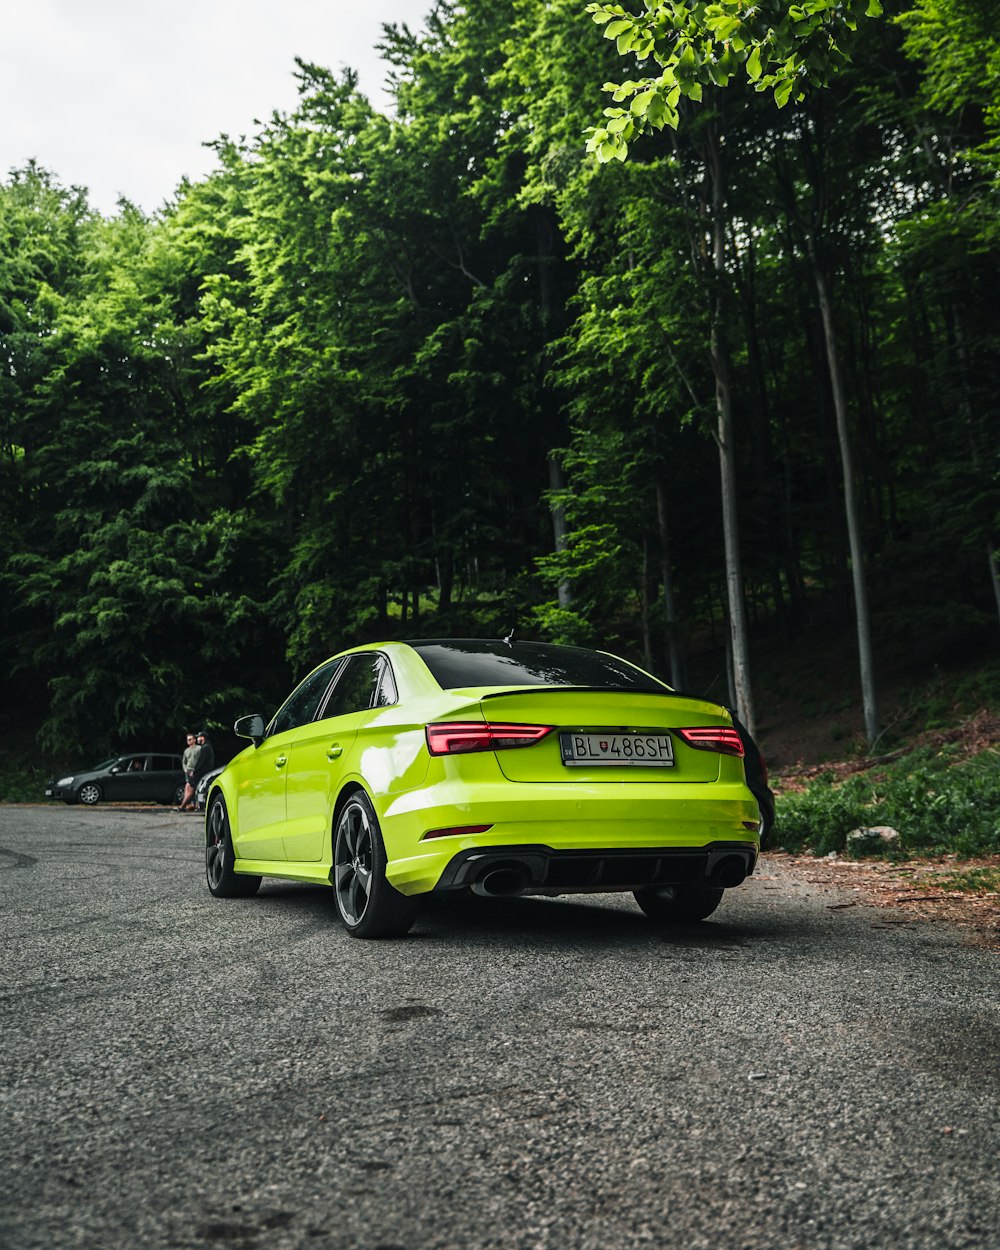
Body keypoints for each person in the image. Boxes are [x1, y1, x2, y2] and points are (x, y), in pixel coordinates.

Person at [177, 732, 200, 810]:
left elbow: (201, 760)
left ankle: (183, 805)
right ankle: (187, 805)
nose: (188, 741)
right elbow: (184, 761)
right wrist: (185, 769)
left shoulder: (199, 749)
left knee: (190, 788)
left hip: (195, 770)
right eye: (187, 740)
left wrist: (196, 769)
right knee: (187, 787)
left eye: (190, 739)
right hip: (188, 770)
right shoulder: (186, 751)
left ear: (194, 740)